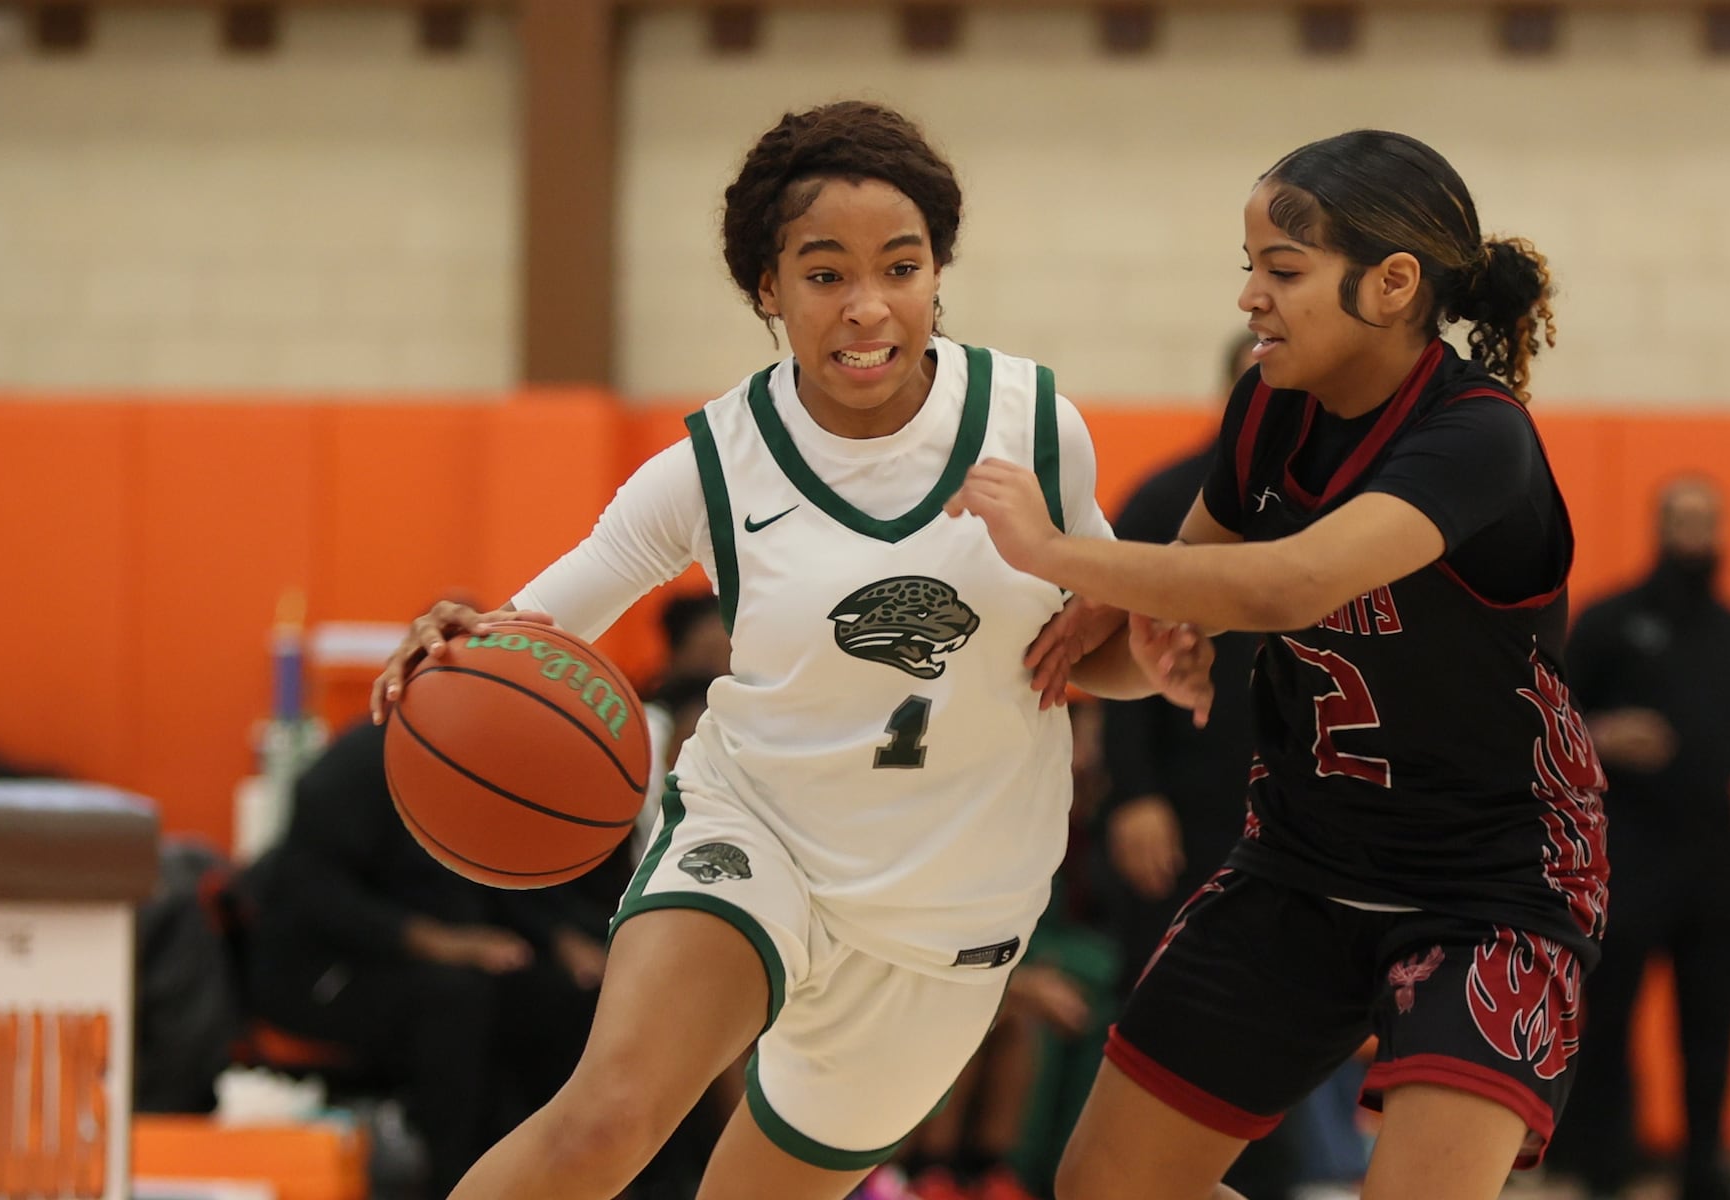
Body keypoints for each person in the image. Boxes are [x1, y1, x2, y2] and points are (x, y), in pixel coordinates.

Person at [370, 101, 1210, 1200]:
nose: (868, 306)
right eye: (824, 275)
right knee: (604, 1120)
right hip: (758, 834)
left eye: (900, 267)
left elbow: (1080, 649)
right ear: (767, 289)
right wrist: (458, 640)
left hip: (953, 908)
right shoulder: (716, 463)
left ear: (937, 272)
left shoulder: (1033, 422)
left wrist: (1154, 657)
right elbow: (534, 632)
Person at [947, 129, 1609, 1200]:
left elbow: (1285, 585)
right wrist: (1109, 638)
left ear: (1393, 284)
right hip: (1302, 861)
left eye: (1284, 271)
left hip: (1489, 883)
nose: (1250, 296)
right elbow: (1166, 627)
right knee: (1104, 1188)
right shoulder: (1267, 408)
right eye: (1248, 266)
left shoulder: (1478, 435)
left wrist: (1056, 551)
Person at [1092, 333, 1306, 1200]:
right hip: (1185, 805)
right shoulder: (1165, 498)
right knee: (1162, 1008)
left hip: (1296, 810)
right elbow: (1116, 658)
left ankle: (1268, 1180)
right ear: (1231, 398)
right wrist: (1133, 796)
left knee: (1276, 1015)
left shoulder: (1337, 510)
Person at [247, 719, 624, 1198]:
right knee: (455, 999)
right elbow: (314, 894)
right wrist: (435, 941)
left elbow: (493, 876)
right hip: (318, 971)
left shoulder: (475, 766)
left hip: (437, 964)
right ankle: (453, 1180)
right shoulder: (356, 766)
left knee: (563, 995)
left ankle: (575, 1177)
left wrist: (558, 938)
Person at [1547, 476, 1730, 1200]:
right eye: (1683, 519)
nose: (1696, 534)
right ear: (1659, 527)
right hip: (1628, 852)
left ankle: (1702, 1167)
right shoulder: (1608, 620)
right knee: (1610, 1019)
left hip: (1715, 858)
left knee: (1712, 1022)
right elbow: (1550, 716)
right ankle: (1603, 1161)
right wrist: (1600, 734)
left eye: (1708, 520)